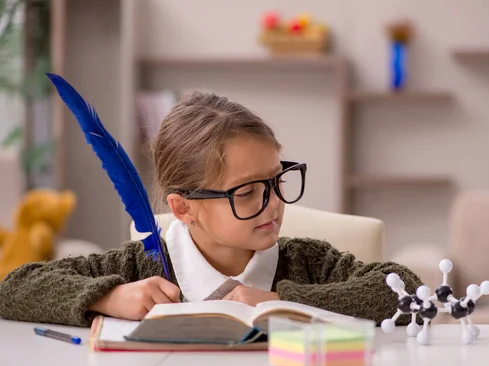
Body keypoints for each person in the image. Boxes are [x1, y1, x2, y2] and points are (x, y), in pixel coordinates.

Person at [0, 92, 422, 328]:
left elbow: (405, 290)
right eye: (247, 192)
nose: (273, 202)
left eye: (278, 180)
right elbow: (13, 288)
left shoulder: (307, 261)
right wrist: (109, 296)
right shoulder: (140, 267)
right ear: (183, 208)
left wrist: (280, 300)